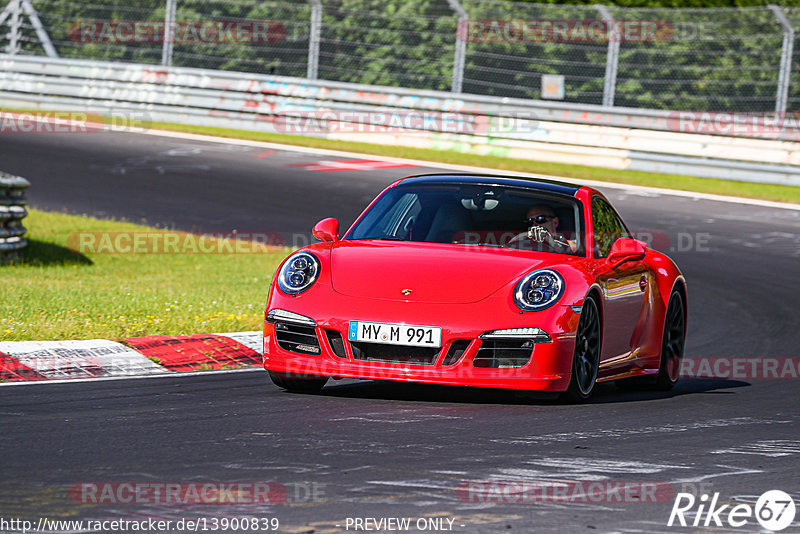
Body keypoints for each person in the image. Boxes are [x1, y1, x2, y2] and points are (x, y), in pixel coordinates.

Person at [508, 204, 577, 252]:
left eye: (540, 219)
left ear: (555, 222)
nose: (534, 225)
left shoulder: (570, 246)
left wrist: (551, 242)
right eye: (530, 222)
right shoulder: (521, 244)